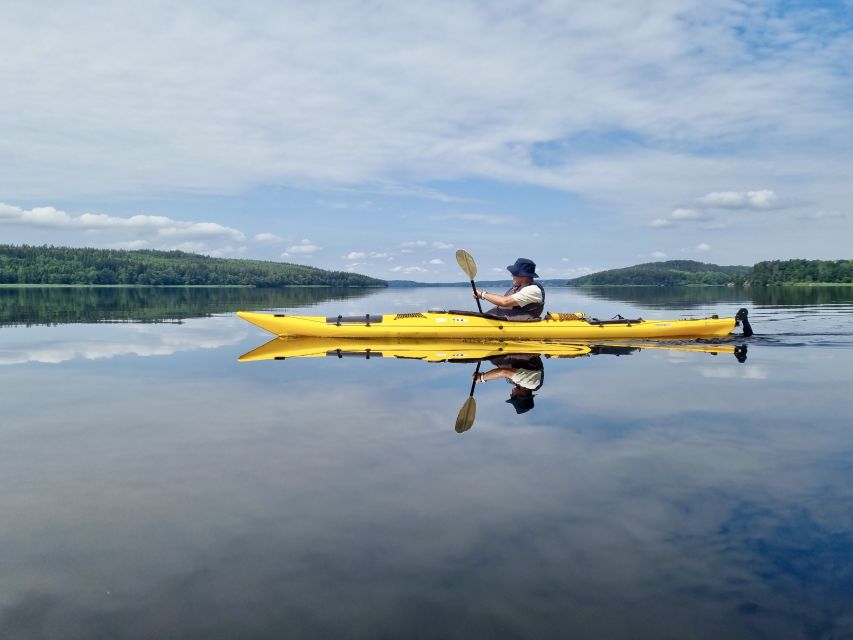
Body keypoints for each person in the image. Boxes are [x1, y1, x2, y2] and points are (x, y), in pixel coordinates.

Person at [473, 257, 544, 320]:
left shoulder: (533, 290)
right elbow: (502, 303)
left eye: (514, 273)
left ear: (522, 275)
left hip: (513, 325)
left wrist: (483, 294)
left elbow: (505, 302)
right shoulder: (517, 287)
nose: (512, 275)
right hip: (498, 320)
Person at [472, 354, 544, 415]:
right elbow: (503, 372)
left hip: (500, 352)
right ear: (522, 396)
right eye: (513, 396)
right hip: (514, 349)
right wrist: (481, 378)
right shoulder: (532, 383)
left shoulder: (516, 382)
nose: (511, 394)